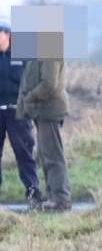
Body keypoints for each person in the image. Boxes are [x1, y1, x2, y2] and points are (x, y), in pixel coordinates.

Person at [0, 16, 42, 210]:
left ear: (7, 34)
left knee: (24, 154)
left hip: (18, 113)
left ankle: (34, 197)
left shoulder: (22, 54)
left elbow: (34, 79)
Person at [16, 56, 68, 212]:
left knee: (52, 155)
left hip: (50, 110)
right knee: (46, 154)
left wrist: (30, 96)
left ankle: (60, 199)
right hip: (43, 111)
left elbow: (49, 84)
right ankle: (53, 197)